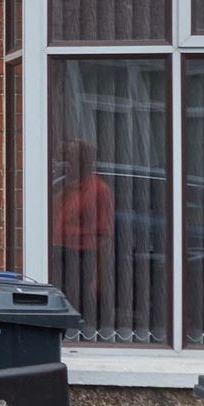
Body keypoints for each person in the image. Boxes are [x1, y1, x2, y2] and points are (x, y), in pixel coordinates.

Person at [50, 138, 115, 331]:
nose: (68, 164)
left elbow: (105, 235)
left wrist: (99, 276)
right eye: (67, 159)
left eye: (72, 159)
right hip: (58, 251)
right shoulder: (64, 186)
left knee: (78, 300)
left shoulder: (99, 190)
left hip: (82, 255)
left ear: (85, 161)